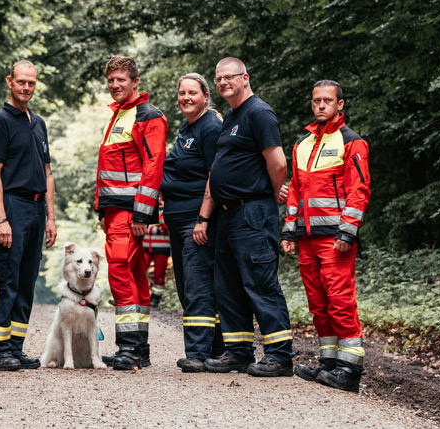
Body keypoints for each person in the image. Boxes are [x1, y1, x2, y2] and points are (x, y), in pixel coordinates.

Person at [204, 57, 294, 377]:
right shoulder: (231, 115)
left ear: (245, 78)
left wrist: (267, 194)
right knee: (228, 286)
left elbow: (278, 163)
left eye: (229, 77)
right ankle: (239, 352)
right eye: (218, 79)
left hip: (253, 211)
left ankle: (280, 356)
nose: (223, 82)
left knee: (260, 282)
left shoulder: (259, 112)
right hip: (229, 214)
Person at [281, 80, 371, 392]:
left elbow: (359, 192)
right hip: (306, 238)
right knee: (318, 303)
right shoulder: (301, 144)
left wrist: (348, 232)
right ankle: (329, 362)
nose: (321, 105)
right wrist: (289, 230)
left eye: (327, 100)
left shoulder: (352, 142)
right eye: (316, 100)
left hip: (335, 239)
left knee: (340, 300)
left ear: (340, 105)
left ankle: (349, 369)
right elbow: (294, 189)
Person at [0, 60, 57, 371]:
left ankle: (15, 347)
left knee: (26, 281)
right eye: (21, 82)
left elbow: (48, 172)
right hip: (11, 206)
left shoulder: (37, 123)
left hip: (36, 209)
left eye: (31, 83)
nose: (26, 87)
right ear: (9, 81)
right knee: (3, 279)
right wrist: (1, 219)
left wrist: (50, 217)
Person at [95, 55, 167, 370]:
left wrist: (141, 214)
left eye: (121, 80)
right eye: (111, 80)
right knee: (135, 275)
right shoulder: (119, 115)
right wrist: (101, 209)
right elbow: (108, 169)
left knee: (121, 272)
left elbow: (153, 167)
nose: (115, 85)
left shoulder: (146, 116)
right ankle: (138, 349)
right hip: (115, 212)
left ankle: (129, 348)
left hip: (130, 213)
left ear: (135, 82)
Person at [159, 73, 225, 373]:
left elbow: (216, 174)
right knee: (188, 285)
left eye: (192, 93)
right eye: (182, 92)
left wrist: (203, 218)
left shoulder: (210, 126)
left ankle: (197, 354)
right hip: (178, 218)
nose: (186, 97)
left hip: (196, 221)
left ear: (205, 95)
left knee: (197, 285)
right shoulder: (187, 127)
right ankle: (216, 349)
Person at [141, 200, 169, 308]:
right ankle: (138, 296)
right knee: (140, 271)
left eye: (161, 200)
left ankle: (155, 299)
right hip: (146, 247)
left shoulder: (167, 210)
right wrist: (157, 228)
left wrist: (157, 223)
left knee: (159, 274)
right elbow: (144, 227)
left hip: (162, 248)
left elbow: (166, 226)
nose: (159, 202)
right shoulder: (147, 210)